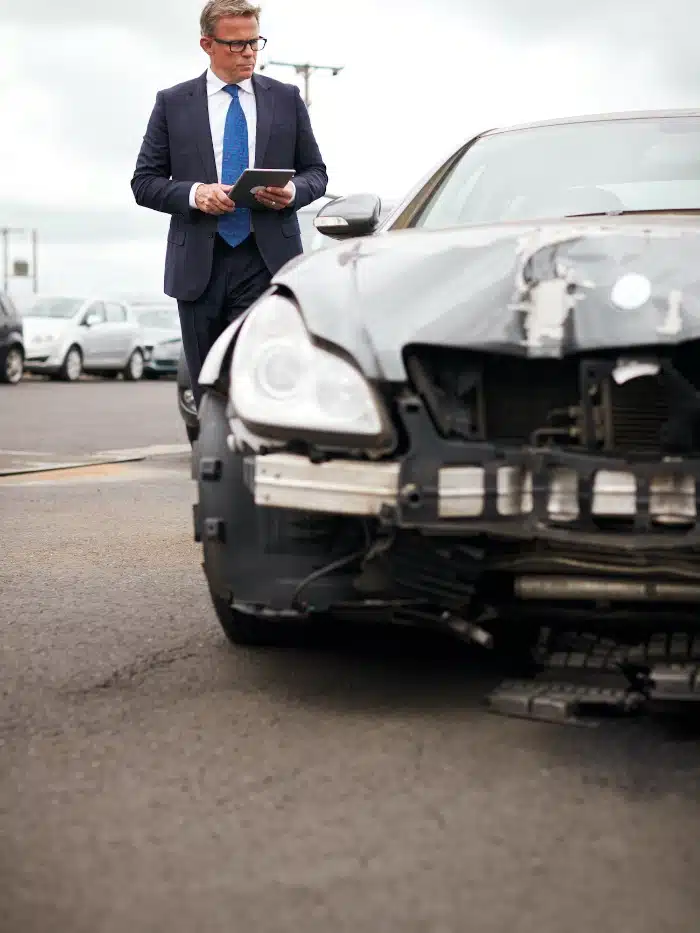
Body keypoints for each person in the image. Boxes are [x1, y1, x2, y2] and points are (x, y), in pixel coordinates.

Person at [131, 0, 328, 406]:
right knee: (207, 386)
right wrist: (194, 194)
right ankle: (214, 462)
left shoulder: (286, 98)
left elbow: (316, 173)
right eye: (237, 45)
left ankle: (261, 461)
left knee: (263, 381)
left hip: (268, 261)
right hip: (199, 266)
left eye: (255, 42)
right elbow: (144, 183)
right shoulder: (172, 103)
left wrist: (293, 193)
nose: (249, 53)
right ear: (207, 44)